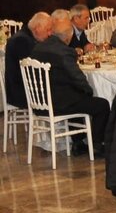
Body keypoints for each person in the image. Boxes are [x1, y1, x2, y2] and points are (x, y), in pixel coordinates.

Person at [29, 18, 109, 155]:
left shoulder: (37, 48)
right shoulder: (65, 52)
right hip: (59, 104)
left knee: (75, 96)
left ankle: (78, 143)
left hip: (39, 103)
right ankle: (97, 144)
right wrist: (89, 91)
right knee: (101, 104)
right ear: (68, 36)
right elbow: (78, 78)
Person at [4, 12, 52, 109]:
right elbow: (33, 73)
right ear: (37, 27)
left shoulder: (26, 36)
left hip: (23, 89)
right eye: (48, 30)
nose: (50, 34)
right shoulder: (22, 41)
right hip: (21, 93)